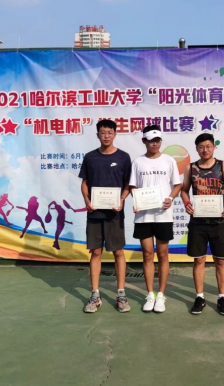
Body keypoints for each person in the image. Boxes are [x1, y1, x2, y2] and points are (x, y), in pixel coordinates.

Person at [79, 119, 132, 313]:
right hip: (95, 213)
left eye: (110, 132)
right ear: (98, 135)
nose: (106, 136)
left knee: (118, 252)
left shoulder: (124, 157)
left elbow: (128, 185)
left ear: (115, 134)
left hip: (114, 214)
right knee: (95, 252)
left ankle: (121, 294)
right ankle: (95, 295)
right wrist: (87, 200)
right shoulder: (90, 157)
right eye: (103, 132)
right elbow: (84, 183)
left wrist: (122, 199)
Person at [127, 125, 182, 313]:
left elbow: (177, 185)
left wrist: (170, 199)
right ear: (144, 141)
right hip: (143, 216)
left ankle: (161, 295)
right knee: (148, 254)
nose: (155, 144)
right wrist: (137, 201)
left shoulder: (169, 161)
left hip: (163, 215)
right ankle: (150, 294)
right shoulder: (138, 162)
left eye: (157, 140)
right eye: (151, 141)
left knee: (163, 255)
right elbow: (133, 186)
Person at [181, 133, 224, 316]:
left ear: (214, 147)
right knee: (199, 260)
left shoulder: (223, 166)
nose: (205, 150)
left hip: (219, 222)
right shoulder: (191, 168)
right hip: (198, 223)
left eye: (208, 146)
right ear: (197, 149)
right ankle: (199, 297)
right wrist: (187, 203)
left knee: (220, 260)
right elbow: (184, 190)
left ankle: (222, 297)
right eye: (201, 147)